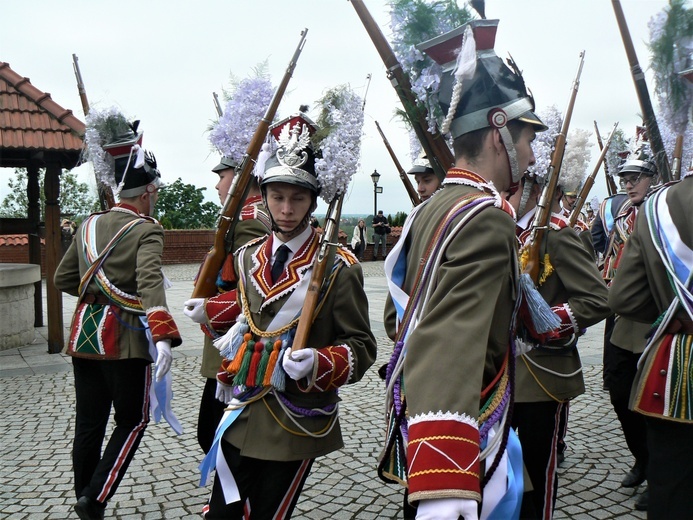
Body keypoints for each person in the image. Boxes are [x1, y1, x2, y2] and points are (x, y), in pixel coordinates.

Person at [381, 19, 546, 519]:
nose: (530, 153)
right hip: (461, 434)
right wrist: (447, 476)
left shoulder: (432, 206)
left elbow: (401, 320)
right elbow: (448, 336)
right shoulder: (486, 219)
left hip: (425, 413)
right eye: (525, 139)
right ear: (499, 132)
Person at [200, 113, 377, 519]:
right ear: (263, 197)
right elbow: (251, 318)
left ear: (313, 201)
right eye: (277, 196)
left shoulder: (337, 265)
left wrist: (319, 360)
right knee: (221, 514)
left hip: (293, 416)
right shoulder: (247, 257)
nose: (286, 208)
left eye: (297, 198)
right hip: (242, 408)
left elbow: (362, 346)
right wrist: (211, 314)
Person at [55, 119, 181, 520]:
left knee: (89, 423)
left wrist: (97, 298)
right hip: (124, 341)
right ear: (145, 194)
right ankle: (94, 498)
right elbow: (149, 286)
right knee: (133, 420)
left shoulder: (88, 224)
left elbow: (62, 278)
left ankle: (83, 495)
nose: (156, 197)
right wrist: (161, 335)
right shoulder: (147, 230)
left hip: (84, 337)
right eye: (155, 191)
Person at [510, 172, 610, 519]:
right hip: (494, 375)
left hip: (540, 374)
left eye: (519, 183)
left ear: (538, 188)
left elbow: (598, 298)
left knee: (536, 477)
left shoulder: (560, 234)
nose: (510, 188)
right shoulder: (497, 226)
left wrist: (545, 321)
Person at [608, 171, 693, 519]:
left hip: (679, 366)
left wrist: (672, 310)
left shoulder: (660, 207)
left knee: (672, 488)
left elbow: (624, 297)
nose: (629, 184)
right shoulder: (623, 213)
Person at [183, 155, 270, 455]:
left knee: (216, 432)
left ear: (242, 176)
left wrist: (209, 309)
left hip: (236, 341)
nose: (217, 184)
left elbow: (254, 289)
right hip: (232, 338)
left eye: (222, 175)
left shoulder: (249, 221)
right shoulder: (252, 215)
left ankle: (231, 500)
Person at [597, 156, 658, 511]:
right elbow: (611, 257)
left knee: (653, 401)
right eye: (625, 179)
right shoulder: (622, 216)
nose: (629, 185)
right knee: (620, 394)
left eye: (636, 178)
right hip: (620, 316)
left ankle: (660, 473)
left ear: (653, 177)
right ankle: (643, 457)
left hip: (655, 318)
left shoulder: (662, 215)